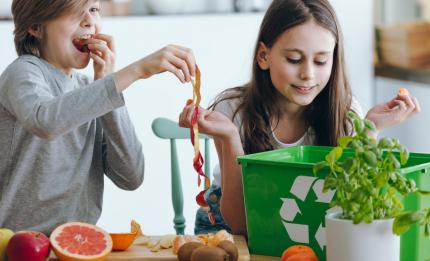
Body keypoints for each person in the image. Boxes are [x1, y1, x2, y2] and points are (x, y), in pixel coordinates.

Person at [179, 0, 420, 236]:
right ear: (263, 56)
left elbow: (351, 208)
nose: (308, 74)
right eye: (294, 59)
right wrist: (230, 137)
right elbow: (241, 225)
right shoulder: (233, 111)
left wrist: (371, 128)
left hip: (308, 229)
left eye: (321, 61)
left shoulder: (346, 113)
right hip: (229, 229)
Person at [0, 0, 196, 235]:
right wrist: (136, 71)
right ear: (35, 25)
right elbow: (46, 121)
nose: (89, 22)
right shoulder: (23, 73)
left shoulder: (91, 92)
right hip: (16, 244)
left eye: (94, 9)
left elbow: (130, 176)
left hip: (78, 242)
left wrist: (107, 81)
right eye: (74, 12)